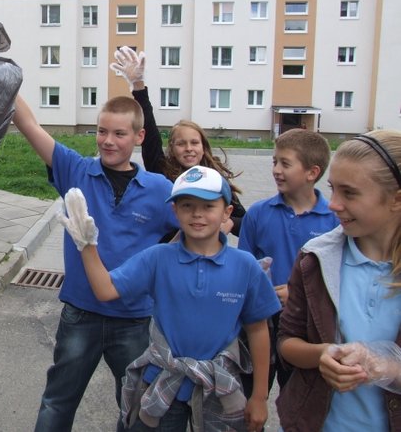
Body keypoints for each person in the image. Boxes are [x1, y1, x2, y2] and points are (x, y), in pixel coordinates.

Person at [60, 165, 280, 431]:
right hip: (163, 381)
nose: (197, 213)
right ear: (174, 211)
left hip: (220, 389)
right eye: (187, 205)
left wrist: (259, 396)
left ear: (227, 212)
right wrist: (86, 245)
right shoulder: (158, 258)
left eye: (208, 206)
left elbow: (258, 330)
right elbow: (105, 290)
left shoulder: (246, 266)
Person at [12, 94, 179, 431]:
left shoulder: (160, 189)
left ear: (138, 137)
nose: (107, 141)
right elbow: (27, 124)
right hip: (80, 313)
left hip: (133, 319)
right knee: (57, 402)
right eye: (102, 131)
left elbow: (190, 232)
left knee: (137, 409)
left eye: (119, 134)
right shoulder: (75, 170)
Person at [276, 130, 401, 431]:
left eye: (349, 192)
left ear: (396, 199)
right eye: (332, 189)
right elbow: (286, 341)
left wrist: (386, 367)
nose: (332, 204)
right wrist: (321, 354)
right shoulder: (315, 259)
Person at [237, 128, 340, 396]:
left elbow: (341, 277)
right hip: (261, 322)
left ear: (312, 173)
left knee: (298, 397)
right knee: (249, 397)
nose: (276, 170)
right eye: (274, 162)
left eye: (285, 163)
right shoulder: (258, 213)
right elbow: (244, 268)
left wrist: (299, 294)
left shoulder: (334, 221)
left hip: (307, 327)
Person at [110, 46, 246, 237]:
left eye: (194, 143)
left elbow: (244, 220)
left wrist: (231, 223)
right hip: (166, 256)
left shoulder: (215, 179)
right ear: (172, 148)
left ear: (203, 146)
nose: (189, 149)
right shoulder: (161, 170)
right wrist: (138, 85)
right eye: (181, 144)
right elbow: (149, 132)